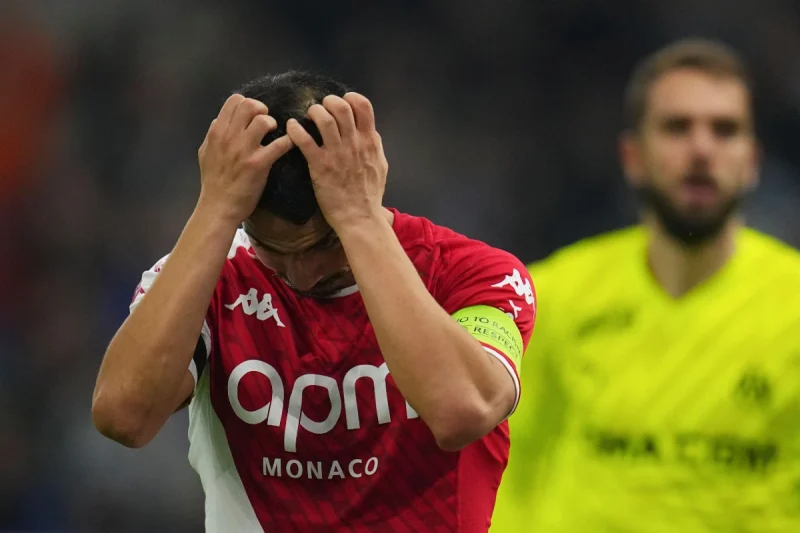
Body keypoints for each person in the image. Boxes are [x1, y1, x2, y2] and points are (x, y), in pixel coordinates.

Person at [91, 71, 537, 532]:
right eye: (275, 249)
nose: (304, 273)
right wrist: (214, 207)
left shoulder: (474, 274)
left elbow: (463, 411)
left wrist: (360, 221)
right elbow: (124, 416)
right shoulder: (209, 277)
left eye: (323, 244)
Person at [492, 38, 800, 532]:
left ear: (753, 160)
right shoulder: (550, 296)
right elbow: (500, 469)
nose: (701, 148)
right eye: (677, 127)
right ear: (632, 155)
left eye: (725, 130)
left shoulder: (793, 305)